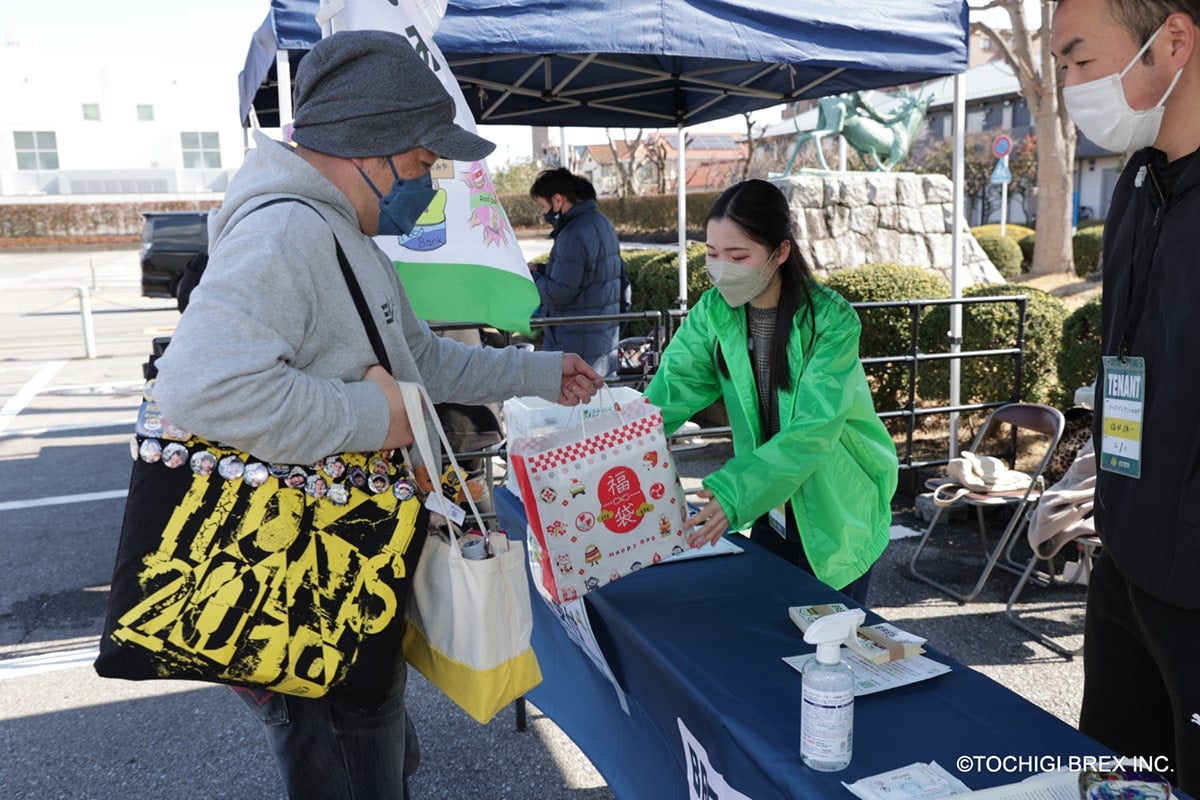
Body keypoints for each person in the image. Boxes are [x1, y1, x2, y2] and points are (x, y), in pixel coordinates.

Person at [151, 30, 602, 800]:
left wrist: (538, 371)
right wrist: (377, 416)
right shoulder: (288, 231)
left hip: (338, 568)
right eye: (425, 164)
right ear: (372, 147)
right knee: (352, 762)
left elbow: (421, 361)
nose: (429, 184)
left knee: (377, 752)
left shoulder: (341, 232)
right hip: (306, 590)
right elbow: (198, 389)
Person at [1052, 1, 1200, 792]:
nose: (1073, 87)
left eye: (1079, 61)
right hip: (1123, 565)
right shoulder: (1139, 188)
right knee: (1111, 773)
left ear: (1173, 40)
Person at [644, 179, 898, 606]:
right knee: (770, 635)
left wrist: (733, 493)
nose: (722, 267)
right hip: (768, 502)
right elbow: (672, 388)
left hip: (838, 506)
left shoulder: (830, 322)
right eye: (711, 254)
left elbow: (813, 431)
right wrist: (614, 444)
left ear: (780, 253)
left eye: (738, 256)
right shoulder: (714, 310)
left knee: (827, 644)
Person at [528, 168, 628, 377]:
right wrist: (542, 268)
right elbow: (592, 274)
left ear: (557, 200)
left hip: (575, 342)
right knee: (601, 403)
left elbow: (559, 292)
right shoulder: (603, 223)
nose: (543, 212)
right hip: (602, 337)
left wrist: (532, 278)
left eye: (542, 205)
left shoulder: (572, 233)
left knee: (574, 406)